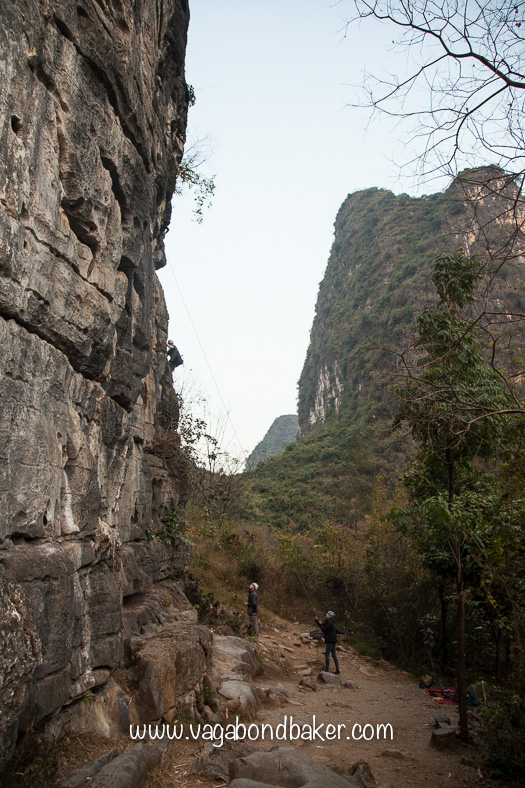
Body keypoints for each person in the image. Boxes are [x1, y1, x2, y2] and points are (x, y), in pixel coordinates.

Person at [315, 610, 340, 674]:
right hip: (333, 640)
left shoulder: (329, 622)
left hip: (330, 640)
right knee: (334, 655)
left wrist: (321, 625)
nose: (326, 614)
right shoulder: (329, 622)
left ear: (330, 616)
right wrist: (317, 621)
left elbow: (324, 629)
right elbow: (323, 625)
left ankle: (327, 669)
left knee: (327, 654)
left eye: (327, 614)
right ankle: (337, 670)